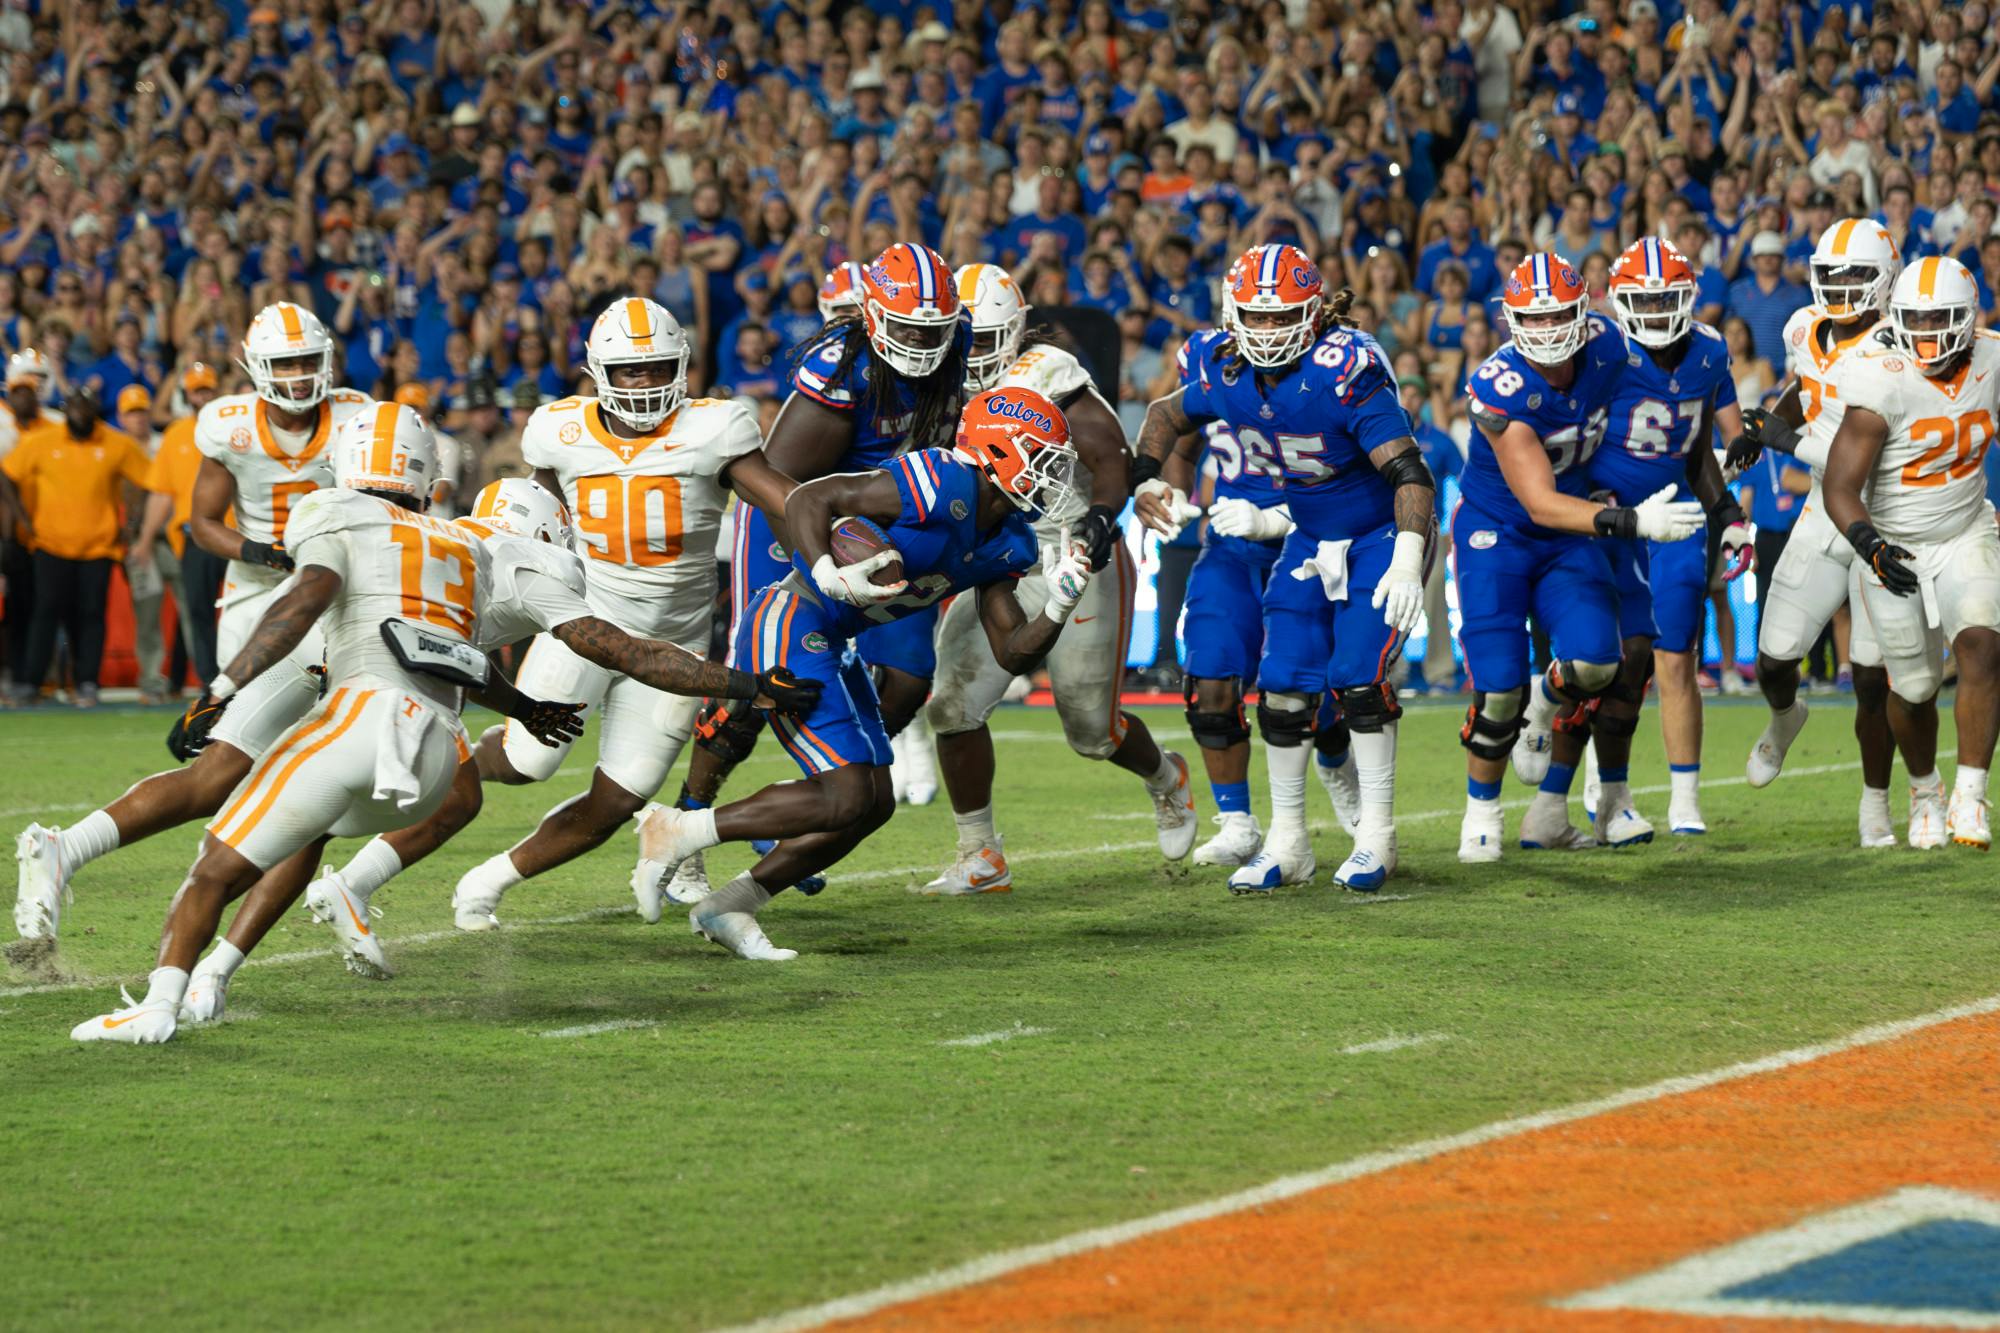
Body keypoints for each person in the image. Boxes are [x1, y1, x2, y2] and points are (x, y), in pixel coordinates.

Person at [179, 478, 820, 1001]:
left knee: (417, 799)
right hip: (361, 677)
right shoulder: (527, 564)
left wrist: (523, 707)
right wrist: (747, 684)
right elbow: (631, 655)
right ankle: (205, 967)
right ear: (544, 534)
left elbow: (449, 656)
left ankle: (215, 959)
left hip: (332, 654)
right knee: (302, 813)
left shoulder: (444, 538)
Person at [68, 406, 583, 1043]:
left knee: (243, 829)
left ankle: (181, 985)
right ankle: (194, 957)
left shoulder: (427, 533)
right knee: (233, 791)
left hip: (353, 683)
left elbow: (439, 650)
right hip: (340, 670)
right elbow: (436, 647)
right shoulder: (488, 556)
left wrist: (222, 687)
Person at [630, 386, 1097, 961]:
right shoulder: (940, 480)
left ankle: (731, 904)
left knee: (874, 803)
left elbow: (1012, 652)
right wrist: (826, 569)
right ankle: (679, 829)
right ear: (999, 451)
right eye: (1042, 458)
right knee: (846, 793)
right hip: (794, 614)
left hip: (837, 637)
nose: (1052, 476)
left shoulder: (1011, 538)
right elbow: (810, 498)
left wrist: (1057, 607)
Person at [13, 304, 375, 941]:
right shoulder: (229, 426)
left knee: (288, 774)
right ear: (256, 369)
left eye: (305, 361)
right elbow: (202, 523)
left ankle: (291, 911)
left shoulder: (357, 416)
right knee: (243, 771)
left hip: (335, 599)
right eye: (284, 363)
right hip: (260, 600)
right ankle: (195, 915)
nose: (297, 376)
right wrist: (260, 549)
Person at [445, 298, 803, 932]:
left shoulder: (716, 428)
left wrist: (830, 547)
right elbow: (533, 516)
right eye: (630, 370)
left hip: (674, 639)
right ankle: (463, 759)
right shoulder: (558, 430)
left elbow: (783, 500)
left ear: (683, 366)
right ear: (598, 372)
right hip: (586, 621)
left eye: (658, 368)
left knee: (619, 799)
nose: (644, 383)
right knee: (528, 762)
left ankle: (487, 880)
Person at [668, 243, 968, 901]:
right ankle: (688, 820)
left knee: (909, 678)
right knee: (759, 687)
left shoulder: (959, 344)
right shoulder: (844, 367)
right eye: (908, 328)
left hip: (886, 526)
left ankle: (807, 801)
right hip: (793, 520)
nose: (922, 343)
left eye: (933, 330)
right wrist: (825, 563)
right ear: (873, 315)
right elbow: (780, 485)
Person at [1135, 245, 1436, 893]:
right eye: (1256, 316)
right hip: (1309, 533)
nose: (1268, 331)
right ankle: (1288, 841)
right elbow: (1164, 415)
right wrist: (1145, 480)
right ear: (1233, 315)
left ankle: (1376, 836)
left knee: (1358, 681)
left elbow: (1409, 471)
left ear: (1314, 314)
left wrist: (1409, 555)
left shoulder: (1344, 366)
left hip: (1379, 532)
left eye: (1282, 317)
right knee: (1281, 688)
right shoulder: (1226, 369)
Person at [923, 263, 1195, 894]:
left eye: (980, 338)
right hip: (999, 554)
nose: (968, 353)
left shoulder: (1044, 370)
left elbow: (1107, 453)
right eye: (958, 338)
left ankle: (1167, 777)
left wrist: (1100, 518)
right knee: (952, 705)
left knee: (1091, 732)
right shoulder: (935, 380)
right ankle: (979, 853)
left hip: (1070, 547)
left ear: (1014, 332)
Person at [1453, 254, 1703, 861]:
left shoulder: (1610, 347)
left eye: (1556, 316)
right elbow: (1539, 503)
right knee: (1498, 691)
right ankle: (1481, 811)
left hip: (1572, 531)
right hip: (1500, 532)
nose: (1545, 331)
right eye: (1532, 319)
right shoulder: (1501, 385)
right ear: (1511, 320)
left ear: (1582, 311)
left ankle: (1545, 701)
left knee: (1596, 662)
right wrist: (1632, 519)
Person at [1732, 220, 1903, 848]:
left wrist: (1786, 439)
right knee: (1774, 658)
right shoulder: (1804, 326)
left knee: (1872, 677)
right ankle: (1786, 718)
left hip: (1887, 512)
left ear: (1884, 277)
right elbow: (1805, 389)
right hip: (1822, 510)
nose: (1840, 285)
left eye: (1855, 274)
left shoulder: (1899, 344)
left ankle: (1876, 802)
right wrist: (1764, 429)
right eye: (1830, 273)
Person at [1822, 257, 2000, 851]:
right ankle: (1925, 790)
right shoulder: (1882, 376)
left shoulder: (1993, 358)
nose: (1926, 332)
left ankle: (1971, 796)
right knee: (1915, 687)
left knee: (1983, 644)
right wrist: (1869, 544)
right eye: (1915, 319)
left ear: (1967, 318)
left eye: (1938, 318)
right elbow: (1839, 486)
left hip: (1965, 529)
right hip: (1893, 542)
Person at [1589, 238, 1752, 839]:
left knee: (1676, 653)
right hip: (1610, 515)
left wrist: (1727, 513)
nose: (1657, 313)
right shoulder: (1599, 349)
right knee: (1604, 656)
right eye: (1645, 302)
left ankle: (1685, 798)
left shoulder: (1708, 351)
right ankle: (1599, 778)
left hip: (1679, 515)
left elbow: (1701, 446)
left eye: (1666, 300)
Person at [0, 385, 153, 710]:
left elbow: (150, 480)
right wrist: (22, 519)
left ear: (95, 410)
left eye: (86, 406)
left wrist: (132, 523)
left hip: (98, 546)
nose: (80, 412)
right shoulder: (42, 441)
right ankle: (31, 683)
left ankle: (87, 682)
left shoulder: (116, 443)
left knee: (91, 615)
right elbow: (7, 473)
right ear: (66, 408)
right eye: (74, 406)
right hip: (50, 543)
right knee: (44, 613)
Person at [134, 364, 225, 689]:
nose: (202, 396)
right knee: (198, 611)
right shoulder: (176, 434)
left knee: (240, 608)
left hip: (234, 533)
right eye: (197, 391)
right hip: (194, 535)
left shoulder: (233, 428)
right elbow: (162, 493)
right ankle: (211, 683)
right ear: (187, 395)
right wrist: (145, 539)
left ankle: (241, 678)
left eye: (207, 389)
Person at [0, 349, 62, 693]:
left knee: (39, 606)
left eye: (40, 379)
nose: (35, 386)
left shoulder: (55, 421)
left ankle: (35, 675)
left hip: (43, 531)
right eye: (28, 379)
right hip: (9, 532)